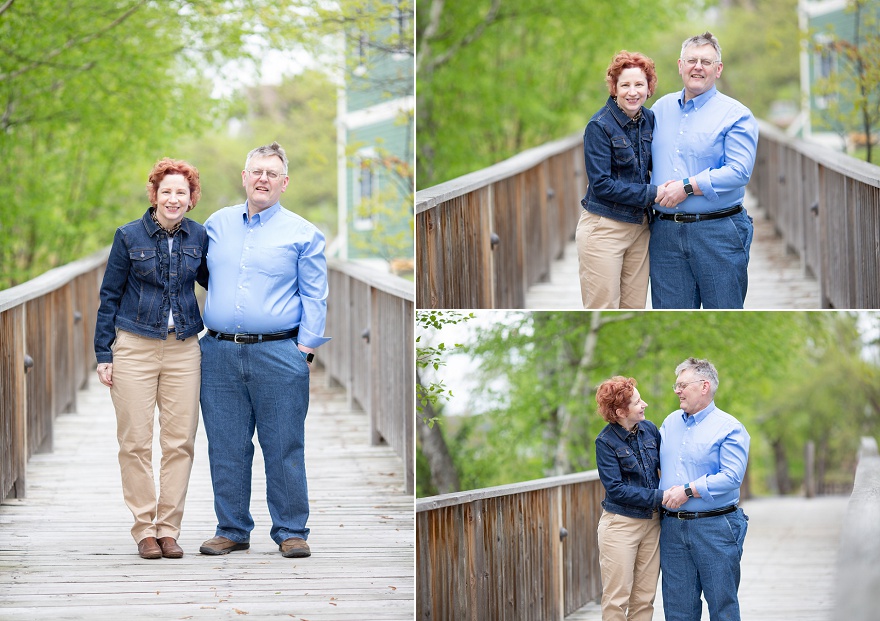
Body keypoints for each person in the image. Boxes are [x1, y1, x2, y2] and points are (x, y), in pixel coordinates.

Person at [198, 141, 329, 559]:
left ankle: (291, 530)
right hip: (218, 354)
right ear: (244, 177)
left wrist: (304, 351)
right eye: (256, 171)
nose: (263, 179)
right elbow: (194, 272)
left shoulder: (303, 234)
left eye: (272, 173)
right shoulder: (215, 225)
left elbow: (316, 297)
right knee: (226, 445)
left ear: (284, 182)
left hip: (279, 353)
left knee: (284, 443)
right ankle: (232, 528)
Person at [94, 158, 208, 559]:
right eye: (166, 191)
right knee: (135, 442)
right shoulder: (128, 237)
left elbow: (221, 283)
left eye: (181, 192)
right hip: (134, 347)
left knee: (180, 443)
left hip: (184, 350)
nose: (173, 198)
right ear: (154, 195)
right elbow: (109, 296)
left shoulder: (201, 237)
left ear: (191, 198)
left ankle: (169, 529)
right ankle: (145, 529)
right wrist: (103, 353)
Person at [649, 31, 759, 309]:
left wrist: (687, 186)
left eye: (706, 62)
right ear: (680, 65)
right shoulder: (659, 109)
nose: (698, 66)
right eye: (692, 60)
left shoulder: (736, 114)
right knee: (669, 316)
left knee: (725, 311)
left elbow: (739, 171)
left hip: (718, 233)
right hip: (664, 236)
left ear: (718, 69)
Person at [659, 358, 751, 621]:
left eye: (682, 385)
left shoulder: (730, 427)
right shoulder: (670, 422)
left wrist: (688, 490)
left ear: (704, 386)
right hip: (672, 530)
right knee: (678, 611)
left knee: (722, 607)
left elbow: (732, 477)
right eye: (676, 385)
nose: (676, 390)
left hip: (716, 527)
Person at [577, 50, 667, 309]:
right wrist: (653, 193)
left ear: (649, 88)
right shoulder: (599, 126)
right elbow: (601, 184)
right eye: (625, 85)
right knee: (603, 308)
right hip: (604, 229)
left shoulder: (649, 119)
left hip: (640, 228)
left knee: (635, 309)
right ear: (614, 88)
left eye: (639, 84)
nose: (632, 91)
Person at [594, 376, 671, 621]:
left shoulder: (649, 430)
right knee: (617, 599)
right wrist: (660, 496)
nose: (644, 404)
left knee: (644, 598)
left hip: (652, 523)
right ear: (619, 411)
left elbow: (669, 464)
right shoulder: (605, 441)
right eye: (637, 402)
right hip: (621, 526)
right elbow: (616, 489)